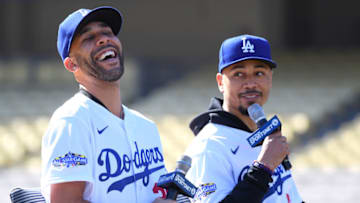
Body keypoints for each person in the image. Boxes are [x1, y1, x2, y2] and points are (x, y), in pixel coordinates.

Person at [41, 6, 176, 203]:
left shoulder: (146, 127)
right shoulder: (71, 122)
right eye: (88, 38)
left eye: (107, 32)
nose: (103, 39)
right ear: (71, 64)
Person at [184, 34, 304, 202]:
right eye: (239, 74)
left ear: (270, 78)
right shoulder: (210, 146)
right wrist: (264, 168)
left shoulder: (267, 133)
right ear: (220, 82)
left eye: (259, 73)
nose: (250, 83)